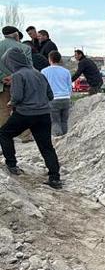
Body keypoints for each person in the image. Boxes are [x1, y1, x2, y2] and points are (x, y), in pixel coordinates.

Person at [0, 48, 61, 189]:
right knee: (46, 146)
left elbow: (17, 97)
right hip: (44, 115)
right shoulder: (39, 74)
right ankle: (55, 178)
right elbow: (50, 96)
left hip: (25, 114)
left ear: (11, 62)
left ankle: (12, 165)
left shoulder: (17, 75)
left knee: (4, 133)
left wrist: (11, 103)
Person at [0, 27, 33, 128]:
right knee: (22, 109)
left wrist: (3, 77)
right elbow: (28, 67)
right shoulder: (25, 48)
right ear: (16, 35)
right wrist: (14, 77)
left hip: (2, 84)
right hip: (20, 83)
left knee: (3, 110)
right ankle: (25, 136)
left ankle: (4, 134)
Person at [41, 51, 72, 136]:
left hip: (53, 99)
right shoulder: (66, 71)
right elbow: (69, 86)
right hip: (65, 98)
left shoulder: (44, 71)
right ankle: (65, 137)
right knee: (64, 121)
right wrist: (69, 96)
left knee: (55, 121)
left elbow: (42, 86)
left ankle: (58, 138)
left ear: (50, 59)